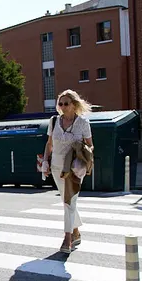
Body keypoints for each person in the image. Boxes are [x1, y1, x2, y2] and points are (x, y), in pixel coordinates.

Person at [42, 89, 95, 253]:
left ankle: (68, 238)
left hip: (74, 168)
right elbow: (49, 144)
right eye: (60, 103)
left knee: (69, 202)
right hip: (57, 167)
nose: (63, 106)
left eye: (66, 103)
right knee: (67, 203)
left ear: (74, 104)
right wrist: (45, 161)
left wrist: (83, 153)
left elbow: (90, 145)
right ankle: (76, 232)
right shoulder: (53, 121)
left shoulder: (83, 123)